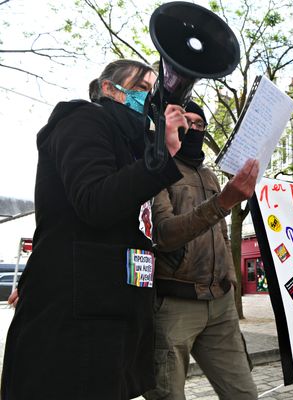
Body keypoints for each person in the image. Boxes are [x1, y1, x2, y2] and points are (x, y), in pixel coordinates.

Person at [1, 59, 191, 399]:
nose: (147, 99)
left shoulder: (133, 145)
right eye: (140, 89)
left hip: (114, 313)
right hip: (77, 320)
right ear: (108, 88)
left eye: (151, 92)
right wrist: (161, 156)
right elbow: (94, 202)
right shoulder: (82, 120)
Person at [143, 101, 259, 400]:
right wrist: (223, 202)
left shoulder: (209, 175)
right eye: (186, 121)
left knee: (243, 392)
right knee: (167, 394)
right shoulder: (156, 168)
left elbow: (221, 235)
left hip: (220, 304)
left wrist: (231, 286)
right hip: (174, 303)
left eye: (199, 125)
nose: (193, 128)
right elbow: (164, 234)